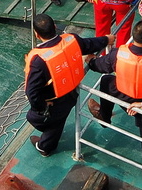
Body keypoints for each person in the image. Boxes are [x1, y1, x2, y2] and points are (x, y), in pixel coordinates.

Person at [87, 20, 142, 172]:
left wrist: (90, 61)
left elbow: (99, 65)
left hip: (124, 96)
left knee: (106, 80)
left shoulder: (117, 54)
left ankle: (104, 116)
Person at [24, 13, 112, 156]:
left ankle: (46, 145)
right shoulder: (72, 39)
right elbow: (89, 44)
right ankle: (45, 147)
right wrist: (107, 39)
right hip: (71, 95)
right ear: (55, 27)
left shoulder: (38, 60)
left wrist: (43, 107)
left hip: (53, 102)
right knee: (58, 120)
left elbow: (32, 92)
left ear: (36, 34)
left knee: (34, 117)